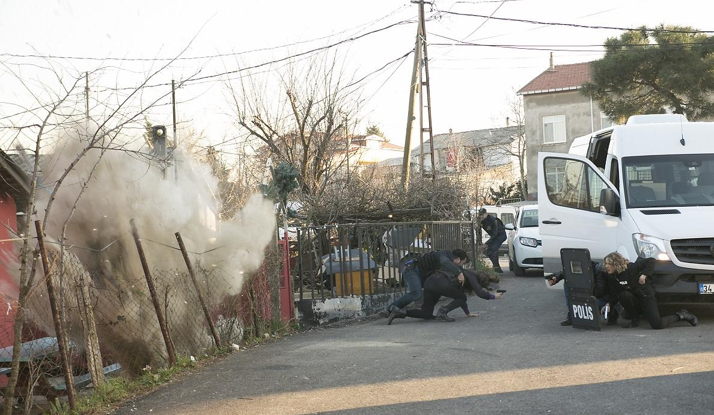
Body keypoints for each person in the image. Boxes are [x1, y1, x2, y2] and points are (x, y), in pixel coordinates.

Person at [598, 252, 698, 329]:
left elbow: (651, 261)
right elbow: (614, 293)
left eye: (609, 264)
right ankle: (634, 319)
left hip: (646, 297)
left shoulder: (631, 267)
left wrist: (644, 274)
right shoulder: (611, 276)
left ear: (616, 263)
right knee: (623, 294)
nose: (606, 266)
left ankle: (681, 315)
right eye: (605, 263)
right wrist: (609, 304)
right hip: (634, 300)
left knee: (657, 324)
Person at [388, 267, 502, 324]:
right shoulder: (471, 275)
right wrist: (493, 296)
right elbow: (480, 293)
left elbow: (460, 297)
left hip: (430, 283)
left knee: (426, 313)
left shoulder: (464, 273)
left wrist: (467, 313)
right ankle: (443, 311)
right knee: (462, 297)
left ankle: (399, 312)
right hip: (440, 285)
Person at [382, 249, 470, 317]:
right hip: (412, 270)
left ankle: (425, 311)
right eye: (462, 263)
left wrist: (467, 312)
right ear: (458, 259)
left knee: (435, 289)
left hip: (421, 275)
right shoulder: (445, 254)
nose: (460, 266)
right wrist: (459, 273)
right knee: (416, 293)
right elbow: (444, 261)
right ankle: (389, 310)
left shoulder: (448, 262)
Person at [548, 261, 616, 326]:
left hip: (599, 297)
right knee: (567, 282)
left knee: (597, 305)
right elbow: (563, 273)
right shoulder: (577, 267)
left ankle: (612, 313)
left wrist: (585, 287)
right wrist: (556, 278)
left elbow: (599, 292)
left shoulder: (598, 271)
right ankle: (572, 314)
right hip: (586, 295)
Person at [478, 208, 506, 273]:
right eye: (480, 215)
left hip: (500, 236)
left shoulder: (493, 220)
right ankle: (497, 267)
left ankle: (496, 268)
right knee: (488, 252)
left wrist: (486, 244)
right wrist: (480, 242)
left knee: (493, 250)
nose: (481, 216)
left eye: (482, 214)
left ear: (486, 214)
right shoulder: (481, 221)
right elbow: (479, 231)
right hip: (494, 237)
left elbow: (495, 234)